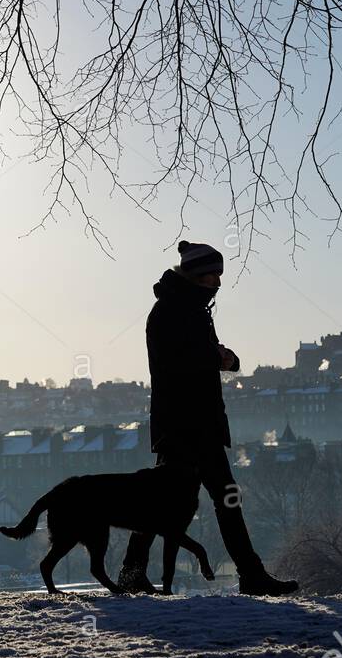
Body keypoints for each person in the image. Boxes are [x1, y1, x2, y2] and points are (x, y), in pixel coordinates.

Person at [118, 240, 298, 596]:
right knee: (210, 499)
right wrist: (218, 358)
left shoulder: (190, 309)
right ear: (195, 274)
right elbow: (176, 365)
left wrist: (223, 359)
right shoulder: (171, 311)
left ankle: (134, 574)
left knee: (193, 500)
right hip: (185, 425)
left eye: (218, 274)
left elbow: (198, 357)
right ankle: (250, 576)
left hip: (196, 424)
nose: (216, 281)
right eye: (211, 274)